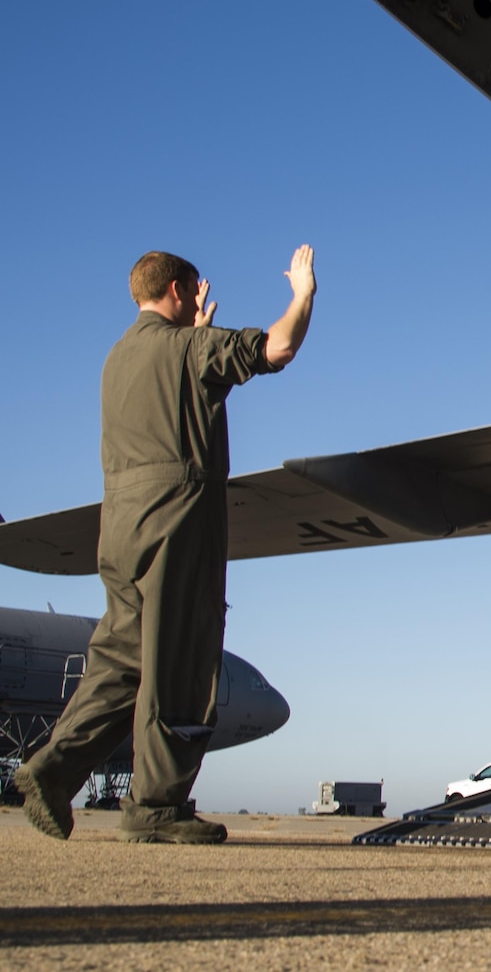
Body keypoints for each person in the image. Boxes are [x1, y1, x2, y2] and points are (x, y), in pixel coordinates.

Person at [16, 246, 317, 843]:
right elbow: (278, 347)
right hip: (177, 520)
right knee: (181, 655)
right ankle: (156, 806)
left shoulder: (118, 357)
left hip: (120, 524)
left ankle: (50, 772)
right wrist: (303, 294)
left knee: (121, 660)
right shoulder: (190, 348)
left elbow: (179, 393)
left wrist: (197, 336)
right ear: (179, 291)